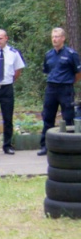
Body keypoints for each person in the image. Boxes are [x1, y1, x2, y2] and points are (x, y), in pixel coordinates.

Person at [38, 27, 81, 155]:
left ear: (63, 38)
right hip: (51, 88)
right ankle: (46, 146)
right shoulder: (48, 54)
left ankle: (69, 146)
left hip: (65, 88)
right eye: (53, 37)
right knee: (47, 117)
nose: (54, 39)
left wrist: (68, 82)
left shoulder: (71, 54)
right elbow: (47, 70)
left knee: (68, 117)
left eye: (57, 37)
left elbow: (78, 73)